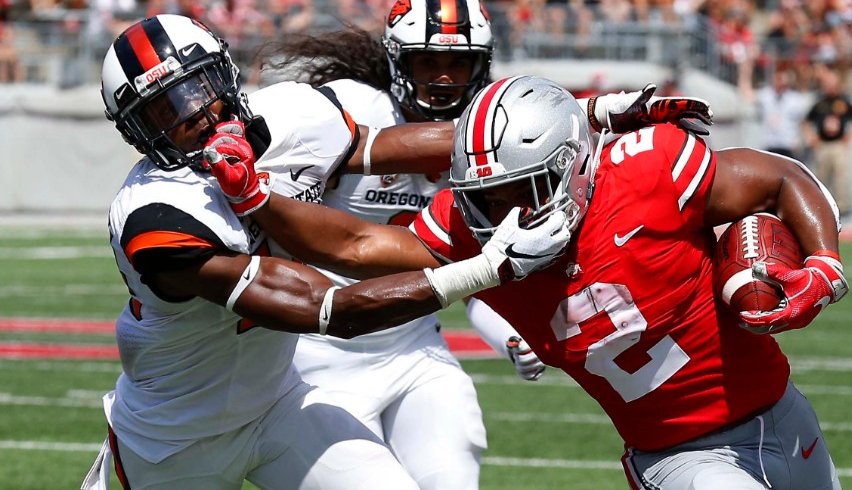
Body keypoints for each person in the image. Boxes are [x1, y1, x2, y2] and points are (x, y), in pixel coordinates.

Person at [214, 76, 847, 489]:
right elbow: (356, 245)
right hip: (681, 456)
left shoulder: (646, 171)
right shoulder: (472, 233)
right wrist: (256, 199)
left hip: (784, 412)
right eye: (485, 197)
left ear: (574, 167)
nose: (504, 216)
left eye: (521, 190)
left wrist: (823, 266)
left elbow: (779, 177)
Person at [83, 15, 570, 490]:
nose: (195, 114)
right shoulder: (155, 216)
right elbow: (327, 309)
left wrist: (581, 122)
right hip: (174, 440)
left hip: (280, 403)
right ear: (137, 130)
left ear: (225, 74)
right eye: (165, 110)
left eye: (198, 87)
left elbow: (381, 157)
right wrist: (487, 268)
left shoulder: (290, 116)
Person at [256, 2, 713, 487]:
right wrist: (586, 112)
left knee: (453, 473)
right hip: (321, 355)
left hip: (414, 346)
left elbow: (487, 264)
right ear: (397, 59)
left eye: (460, 63)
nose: (445, 78)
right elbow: (385, 166)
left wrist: (507, 336)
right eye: (428, 62)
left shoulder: (498, 121)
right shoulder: (353, 107)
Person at [802, 71, 852, 217]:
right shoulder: (820, 103)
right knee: (822, 177)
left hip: (838, 144)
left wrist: (850, 137)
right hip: (823, 144)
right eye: (828, 85)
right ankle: (821, 206)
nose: (831, 88)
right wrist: (811, 137)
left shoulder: (843, 102)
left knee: (841, 177)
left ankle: (842, 208)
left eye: (833, 85)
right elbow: (806, 122)